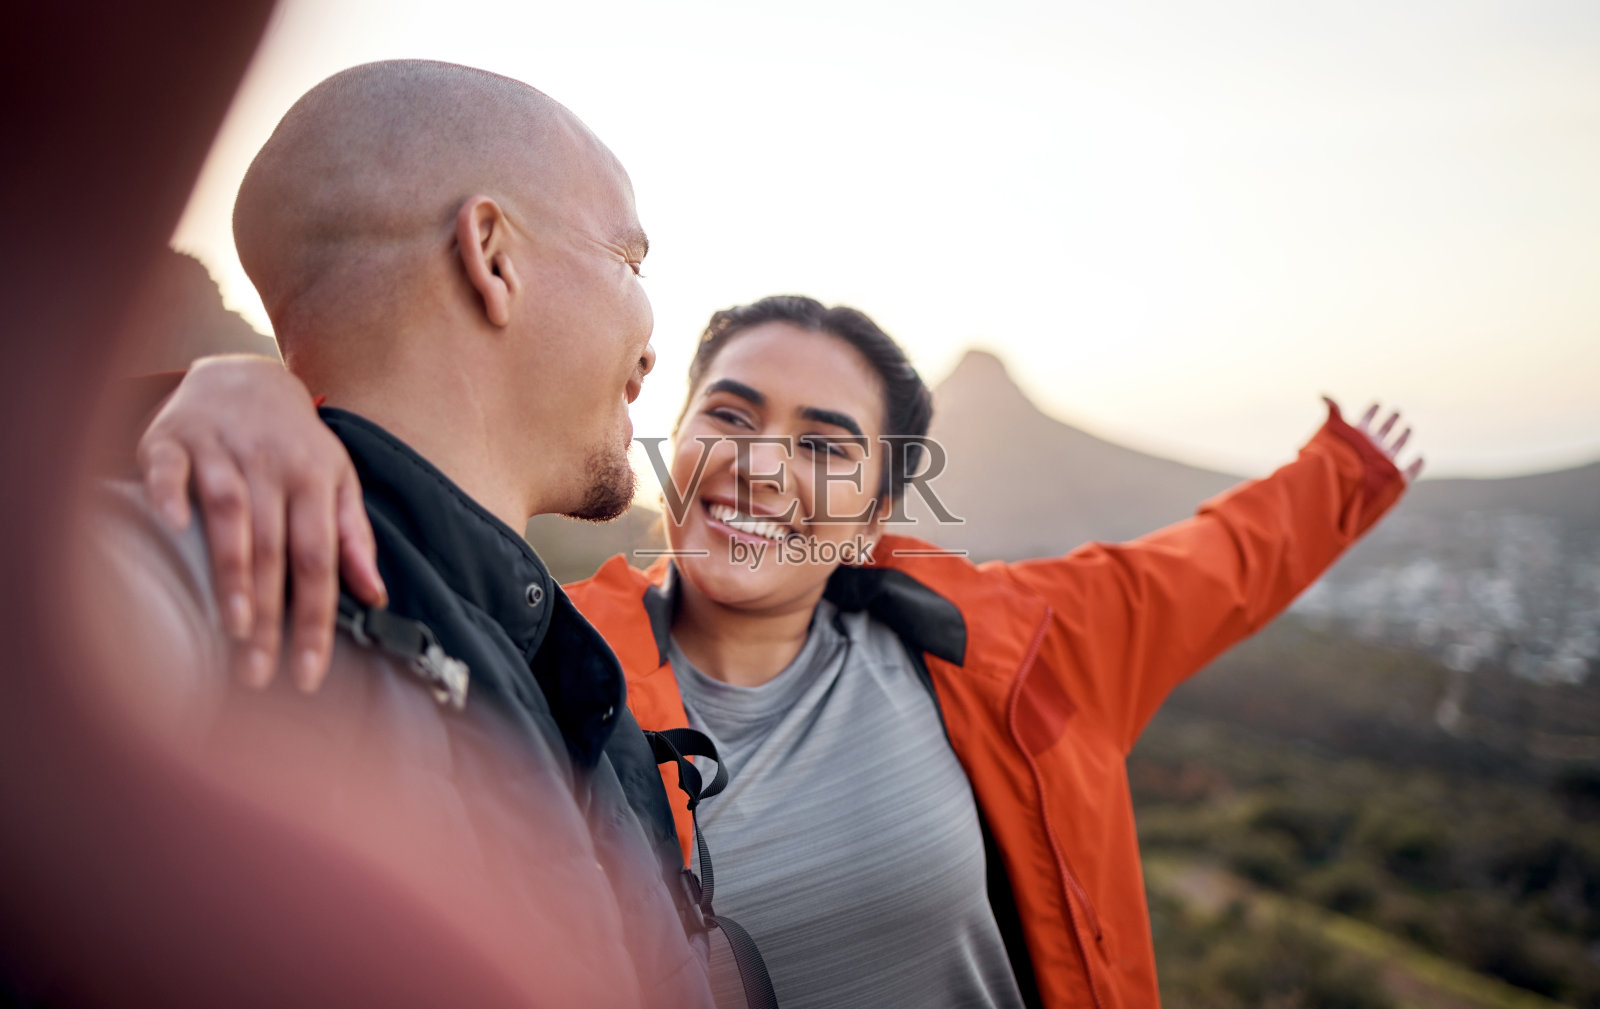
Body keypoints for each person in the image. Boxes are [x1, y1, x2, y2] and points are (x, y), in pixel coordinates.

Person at [144, 289, 1418, 1008]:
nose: (762, 465)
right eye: (731, 414)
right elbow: (388, 527)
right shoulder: (542, 653)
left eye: (823, 443)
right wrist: (246, 392)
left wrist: (1347, 474)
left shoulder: (1020, 647)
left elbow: (1212, 565)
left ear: (872, 512)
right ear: (674, 440)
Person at [99, 59, 722, 1008]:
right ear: (493, 255)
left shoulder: (578, 690)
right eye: (629, 262)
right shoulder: (213, 568)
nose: (651, 343)